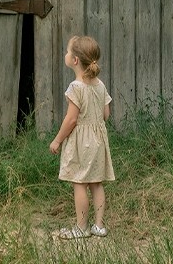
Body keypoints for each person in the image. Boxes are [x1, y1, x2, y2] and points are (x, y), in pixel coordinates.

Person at [49, 35, 115, 240]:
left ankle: (81, 227)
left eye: (68, 52)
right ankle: (99, 226)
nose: (65, 54)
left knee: (80, 183)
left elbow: (71, 120)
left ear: (75, 60)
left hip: (82, 144)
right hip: (98, 142)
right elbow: (106, 115)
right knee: (96, 183)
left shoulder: (76, 87)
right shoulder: (100, 85)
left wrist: (58, 140)